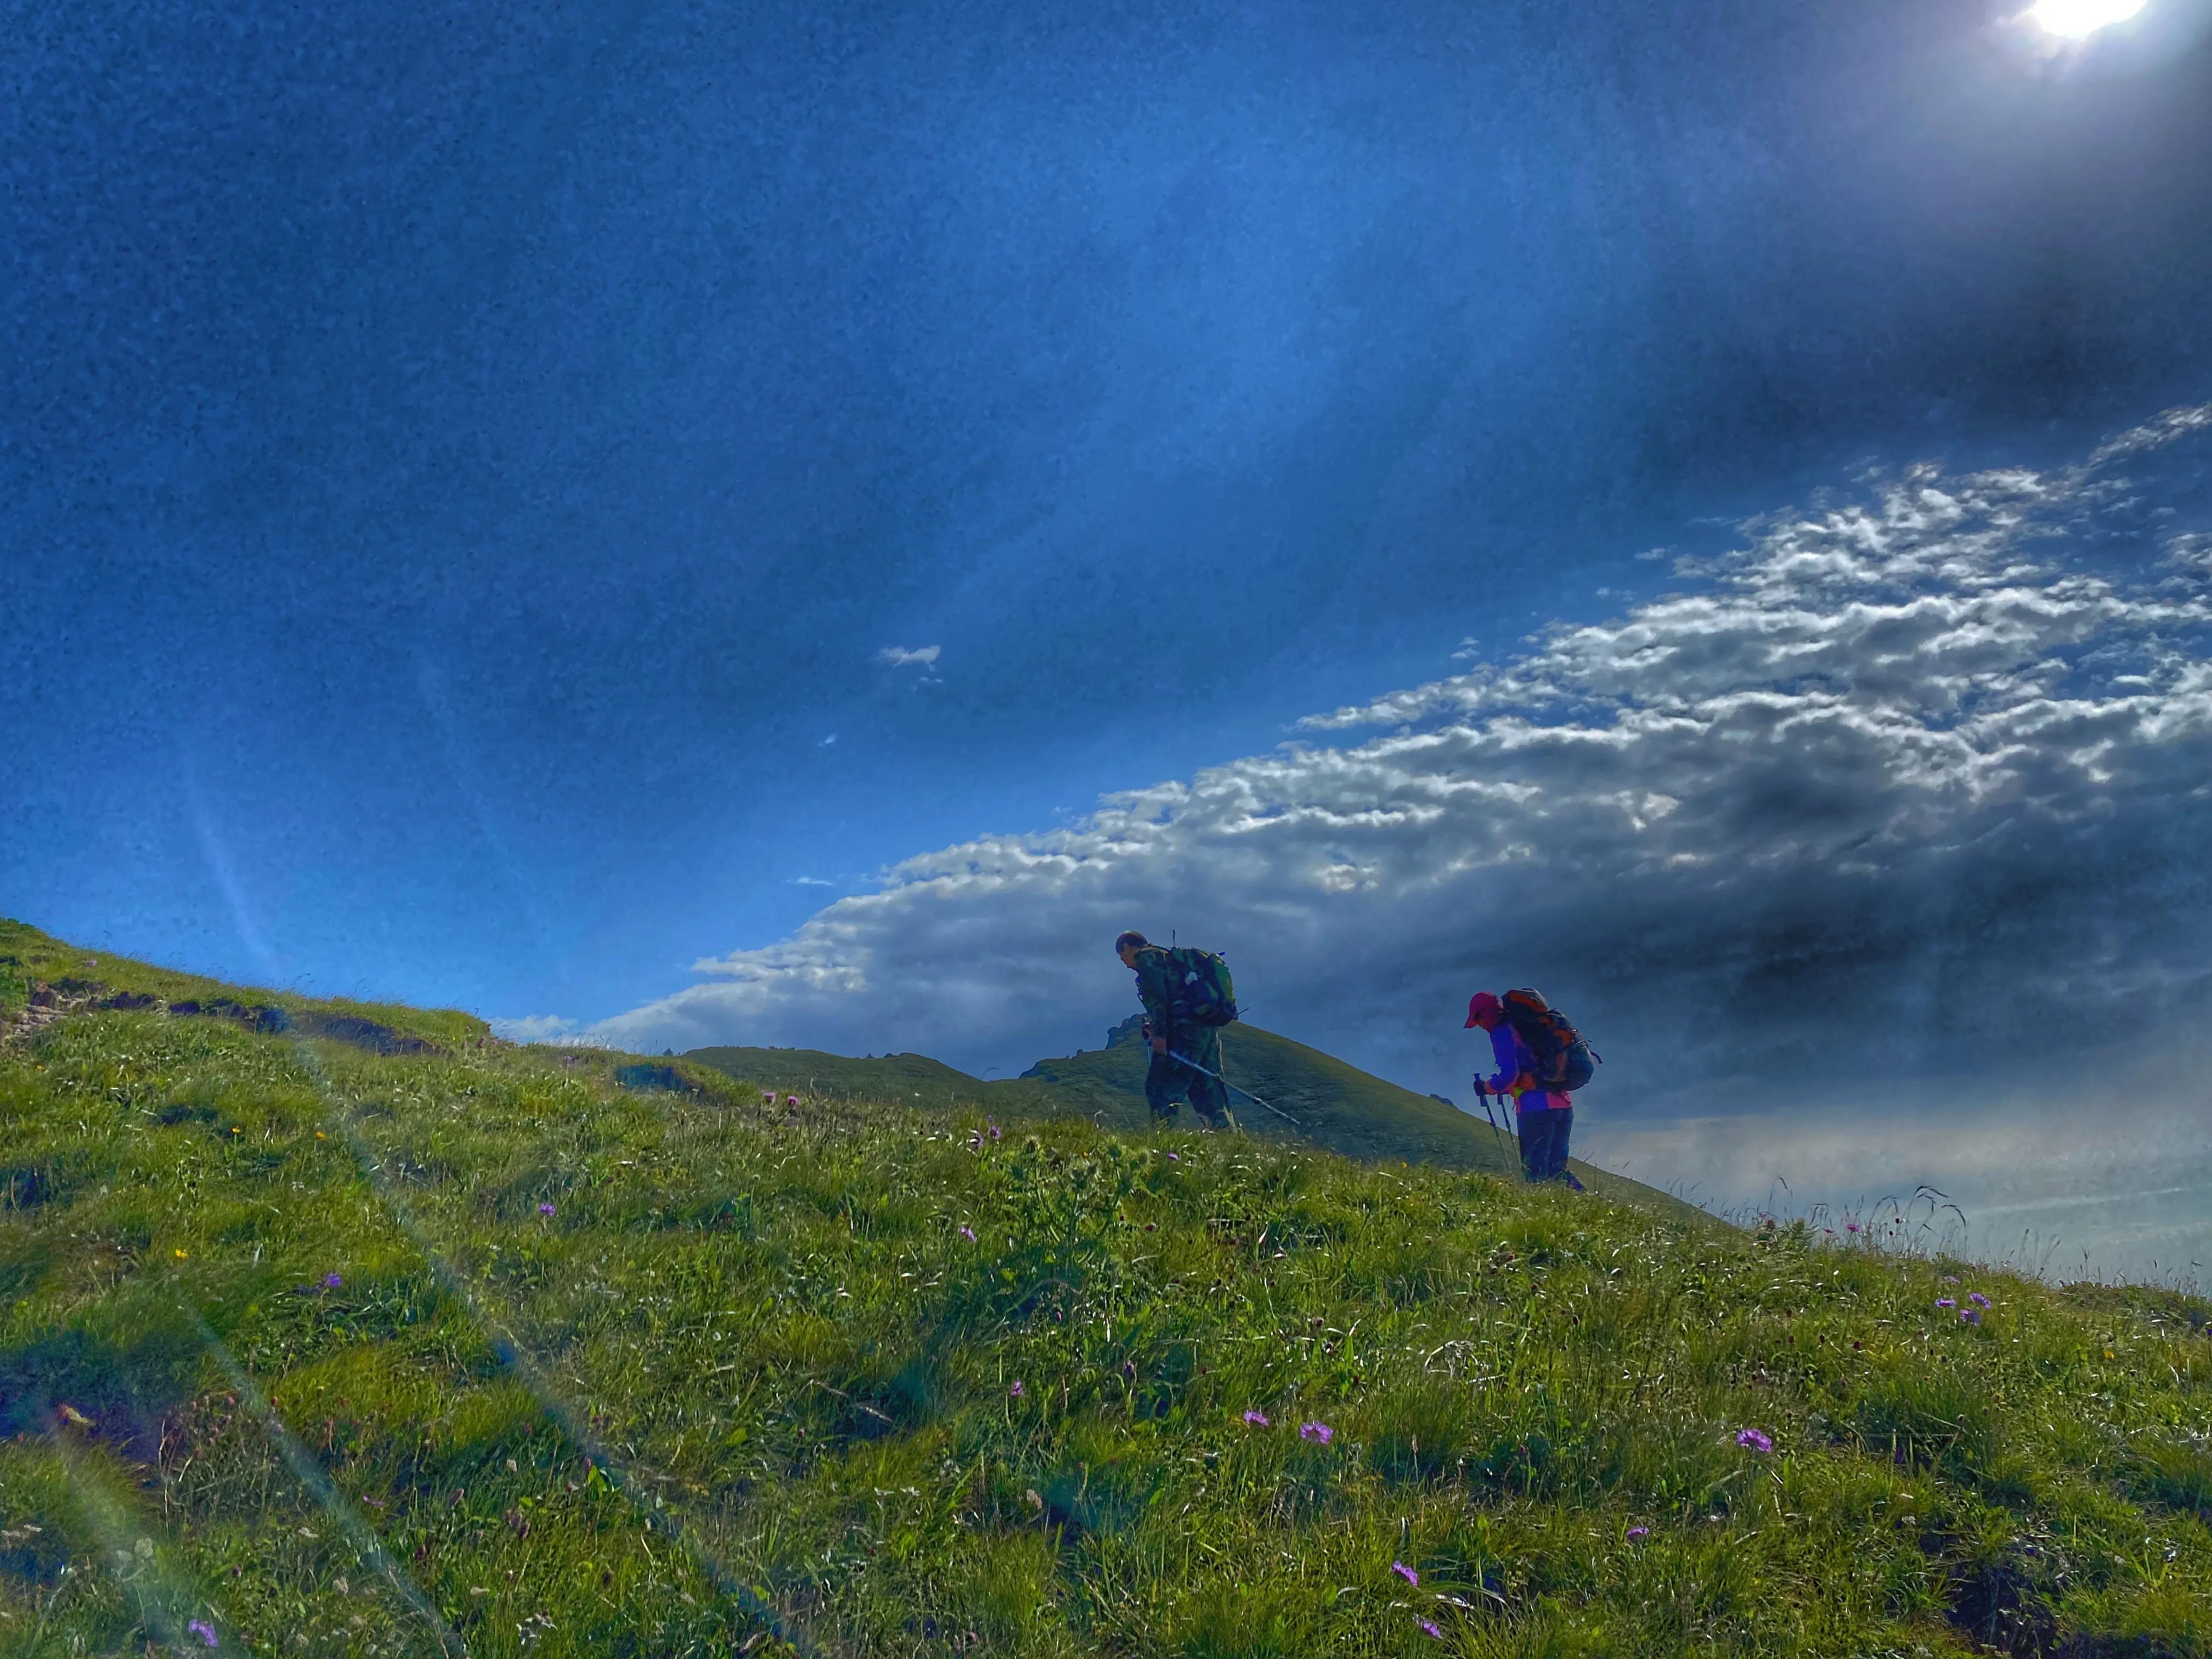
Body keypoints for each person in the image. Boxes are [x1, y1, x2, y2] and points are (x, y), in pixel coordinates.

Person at [1115, 930, 1235, 1130]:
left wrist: (1160, 1034)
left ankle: (1163, 1136)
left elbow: (1159, 999)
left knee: (1160, 1084)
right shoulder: (1168, 958)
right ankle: (1227, 1136)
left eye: (1123, 957)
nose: (1126, 964)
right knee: (1208, 1086)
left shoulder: (1146, 958)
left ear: (1128, 947)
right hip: (1205, 1027)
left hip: (1184, 1031)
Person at [1465, 990, 1583, 1189]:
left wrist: (1488, 1087)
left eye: (1478, 1020)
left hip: (1536, 1109)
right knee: (1557, 1170)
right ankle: (1588, 1204)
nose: (1480, 1026)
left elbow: (1511, 1074)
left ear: (1486, 1013)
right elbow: (1524, 1074)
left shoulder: (1501, 1032)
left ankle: (1541, 1216)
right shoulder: (1526, 1026)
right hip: (1563, 1105)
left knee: (1535, 1174)